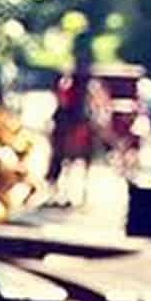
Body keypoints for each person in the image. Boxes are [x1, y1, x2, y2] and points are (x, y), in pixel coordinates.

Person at [46, 42, 98, 205]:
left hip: (75, 124)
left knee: (64, 158)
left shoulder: (85, 86)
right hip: (71, 124)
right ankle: (60, 193)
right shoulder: (74, 84)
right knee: (62, 159)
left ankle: (67, 193)